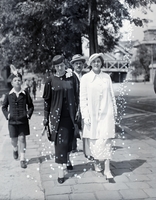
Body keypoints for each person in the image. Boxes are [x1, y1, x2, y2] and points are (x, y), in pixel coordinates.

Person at [42, 55, 80, 184]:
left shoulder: (72, 78)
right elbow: (47, 102)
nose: (60, 68)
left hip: (70, 116)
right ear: (54, 67)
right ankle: (60, 170)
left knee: (69, 140)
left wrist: (79, 113)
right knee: (60, 143)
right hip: (56, 117)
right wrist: (45, 118)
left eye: (62, 65)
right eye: (57, 66)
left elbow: (77, 95)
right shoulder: (50, 81)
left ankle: (67, 159)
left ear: (65, 65)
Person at [80, 53, 117, 180]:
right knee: (94, 140)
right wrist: (85, 115)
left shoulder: (107, 77)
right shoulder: (85, 78)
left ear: (101, 63)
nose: (96, 64)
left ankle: (107, 170)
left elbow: (112, 95)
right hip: (92, 114)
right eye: (94, 62)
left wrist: (114, 112)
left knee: (107, 140)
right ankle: (96, 161)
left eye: (99, 61)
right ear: (90, 64)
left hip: (107, 113)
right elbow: (83, 99)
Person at [1, 71, 34, 169]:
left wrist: (28, 114)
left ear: (21, 82)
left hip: (23, 120)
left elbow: (31, 106)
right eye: (15, 80)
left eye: (19, 80)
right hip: (12, 121)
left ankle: (22, 158)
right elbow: (4, 107)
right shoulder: (8, 95)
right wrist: (8, 115)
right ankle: (15, 149)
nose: (17, 82)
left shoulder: (25, 94)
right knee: (14, 140)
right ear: (12, 83)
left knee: (22, 139)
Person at [70, 54, 86, 152]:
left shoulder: (86, 76)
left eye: (80, 63)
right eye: (77, 64)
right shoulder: (70, 77)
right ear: (73, 65)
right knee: (73, 124)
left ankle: (86, 147)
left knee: (85, 124)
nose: (79, 66)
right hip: (74, 103)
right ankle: (73, 146)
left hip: (84, 103)